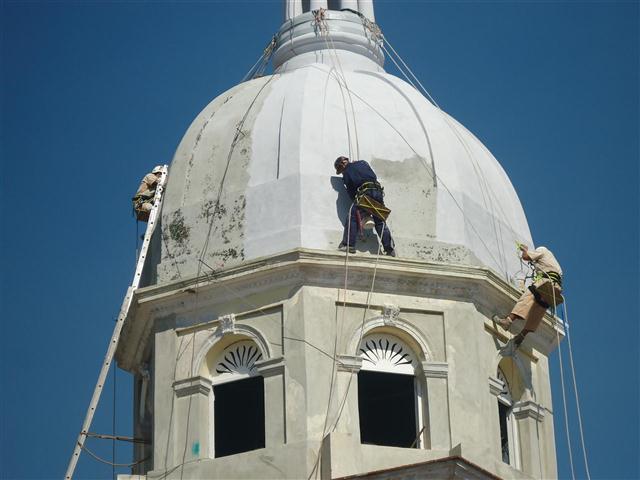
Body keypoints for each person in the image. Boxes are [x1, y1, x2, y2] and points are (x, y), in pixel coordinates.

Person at [493, 244, 563, 348]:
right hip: (555, 288)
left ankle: (508, 321)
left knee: (529, 297)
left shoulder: (542, 251)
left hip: (545, 281)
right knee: (540, 306)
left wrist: (525, 250)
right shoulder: (555, 263)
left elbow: (525, 257)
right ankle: (522, 336)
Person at [334, 156, 396, 257]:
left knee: (352, 217)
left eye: (341, 170)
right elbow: (373, 175)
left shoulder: (347, 172)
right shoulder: (362, 163)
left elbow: (352, 192)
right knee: (380, 221)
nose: (342, 172)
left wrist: (363, 208)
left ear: (342, 165)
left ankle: (348, 244)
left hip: (365, 193)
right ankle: (389, 249)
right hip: (378, 192)